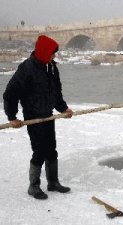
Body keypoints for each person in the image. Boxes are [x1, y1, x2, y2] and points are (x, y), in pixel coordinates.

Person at [3, 35, 73, 200]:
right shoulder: (26, 68)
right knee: (39, 151)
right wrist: (12, 117)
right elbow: (10, 94)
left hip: (48, 116)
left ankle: (53, 182)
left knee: (51, 149)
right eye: (51, 54)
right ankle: (33, 186)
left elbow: (56, 92)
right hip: (33, 117)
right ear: (43, 52)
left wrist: (63, 108)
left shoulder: (51, 67)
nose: (53, 57)